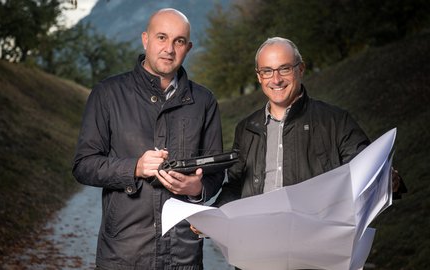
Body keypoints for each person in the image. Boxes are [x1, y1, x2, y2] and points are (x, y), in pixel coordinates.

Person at [72, 8, 225, 270]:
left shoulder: (204, 101)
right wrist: (134, 167)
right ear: (146, 39)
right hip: (123, 254)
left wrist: (197, 190)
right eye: (161, 38)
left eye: (178, 41)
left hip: (183, 256)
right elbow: (83, 165)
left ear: (188, 47)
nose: (169, 48)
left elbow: (215, 174)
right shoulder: (107, 94)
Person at [214, 36, 405, 208]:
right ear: (259, 76)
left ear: (301, 69)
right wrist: (213, 216)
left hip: (317, 237)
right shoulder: (246, 128)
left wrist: (388, 180)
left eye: (284, 68)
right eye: (267, 71)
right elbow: (234, 185)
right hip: (259, 237)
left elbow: (366, 169)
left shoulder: (335, 121)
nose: (276, 79)